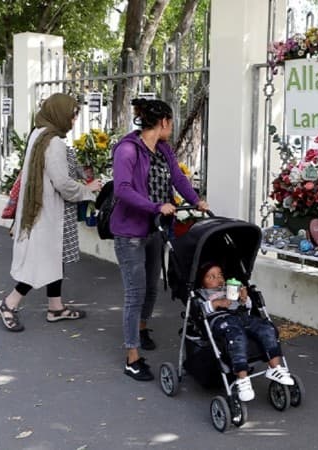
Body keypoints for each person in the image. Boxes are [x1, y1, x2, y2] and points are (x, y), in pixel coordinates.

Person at [112, 98, 208, 381]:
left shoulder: (163, 149)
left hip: (155, 228)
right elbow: (122, 189)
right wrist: (156, 206)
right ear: (163, 121)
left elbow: (178, 178)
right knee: (135, 292)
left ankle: (141, 328)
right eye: (171, 122)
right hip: (130, 231)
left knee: (152, 285)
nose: (172, 127)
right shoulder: (127, 149)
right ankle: (132, 357)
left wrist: (196, 200)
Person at [0, 93, 102, 332]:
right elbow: (62, 183)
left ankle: (55, 307)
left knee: (54, 257)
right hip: (47, 210)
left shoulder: (38, 133)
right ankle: (9, 303)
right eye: (72, 116)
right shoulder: (53, 143)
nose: (74, 121)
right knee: (41, 258)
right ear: (60, 114)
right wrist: (87, 189)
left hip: (37, 207)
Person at [196, 262, 294, 402]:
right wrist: (216, 303)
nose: (218, 279)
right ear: (202, 282)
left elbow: (247, 307)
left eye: (220, 275)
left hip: (241, 316)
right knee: (236, 336)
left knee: (267, 327)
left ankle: (275, 368)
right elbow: (199, 312)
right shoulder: (202, 294)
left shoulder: (230, 288)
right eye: (211, 277)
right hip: (222, 320)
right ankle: (242, 378)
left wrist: (244, 299)